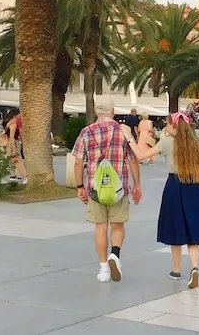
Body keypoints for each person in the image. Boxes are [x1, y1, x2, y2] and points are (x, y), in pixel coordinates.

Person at [128, 111, 199, 288]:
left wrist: (130, 139)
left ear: (174, 126)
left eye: (168, 124)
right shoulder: (194, 143)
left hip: (175, 186)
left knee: (175, 227)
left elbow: (140, 156)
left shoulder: (168, 142)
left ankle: (176, 270)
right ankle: (195, 267)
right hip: (193, 186)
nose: (165, 126)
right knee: (192, 230)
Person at [73, 102, 141, 284]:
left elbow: (78, 162)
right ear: (113, 111)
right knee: (117, 226)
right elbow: (133, 160)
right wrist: (137, 185)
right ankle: (115, 254)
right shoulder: (123, 131)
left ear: (96, 111)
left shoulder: (86, 132)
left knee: (101, 227)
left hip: (96, 189)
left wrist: (80, 187)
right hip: (120, 187)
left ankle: (104, 268)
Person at [7, 111, 26, 182]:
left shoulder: (9, 123)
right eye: (19, 114)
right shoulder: (14, 125)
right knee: (19, 161)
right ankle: (25, 177)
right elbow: (12, 137)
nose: (20, 116)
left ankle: (13, 175)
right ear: (15, 115)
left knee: (13, 160)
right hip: (13, 144)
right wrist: (14, 149)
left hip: (10, 144)